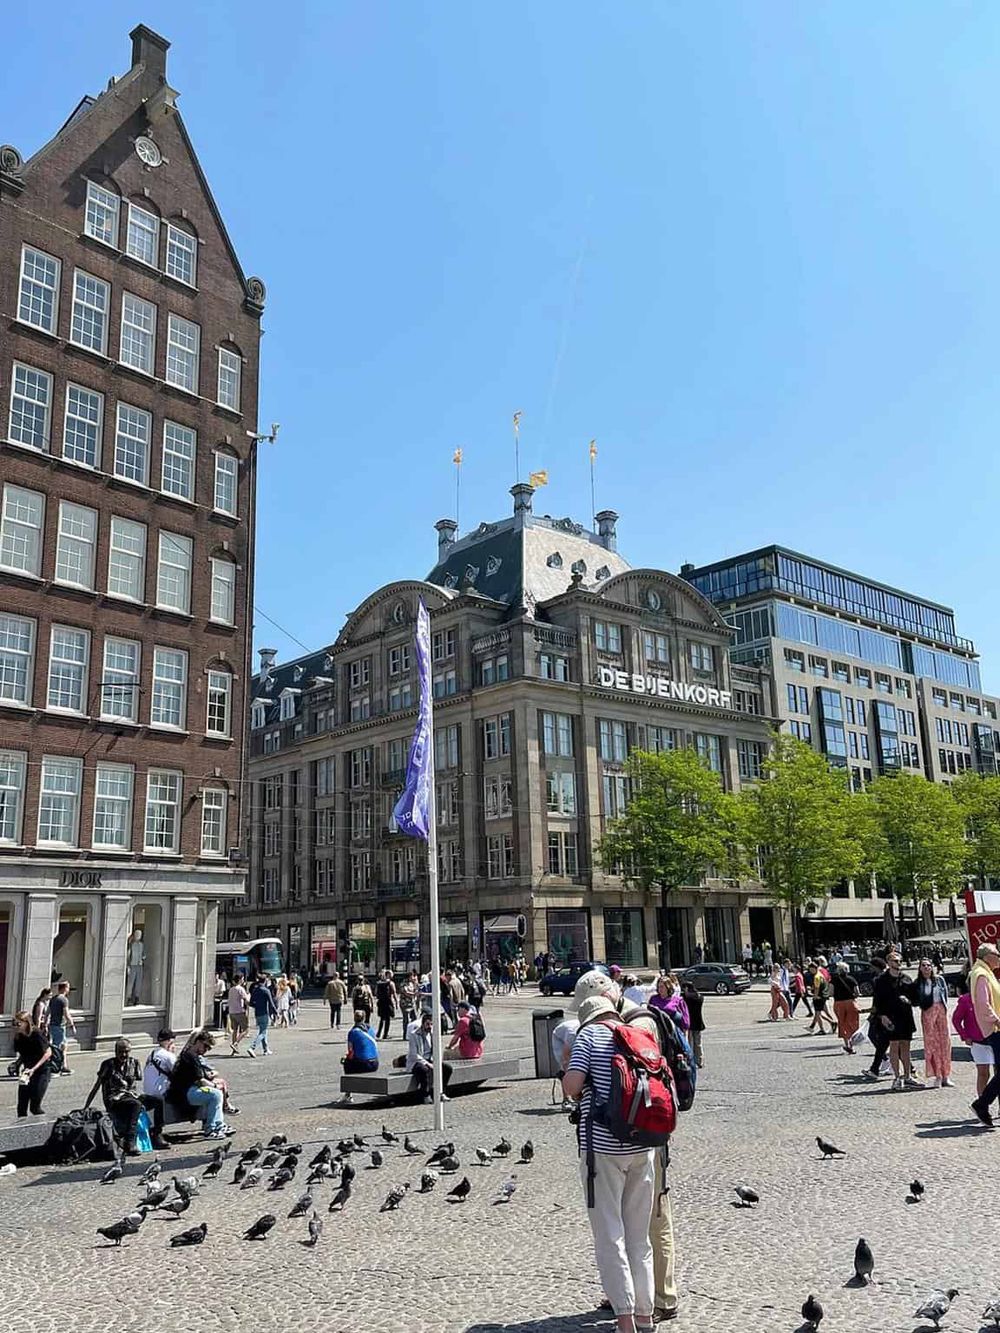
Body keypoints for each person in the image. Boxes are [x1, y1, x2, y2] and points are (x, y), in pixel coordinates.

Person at [563, 987, 657, 1333]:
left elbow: (572, 1087)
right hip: (644, 1146)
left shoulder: (588, 1036)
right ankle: (646, 1316)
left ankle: (625, 1320)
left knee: (610, 1234)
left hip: (603, 1149)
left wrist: (568, 1065)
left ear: (587, 1017)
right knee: (639, 1236)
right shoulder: (638, 1033)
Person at [84, 1038, 145, 1154]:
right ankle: (130, 1141)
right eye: (120, 1052)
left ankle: (157, 1134)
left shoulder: (134, 1063)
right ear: (115, 1052)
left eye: (126, 1051)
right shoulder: (108, 1065)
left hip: (131, 1097)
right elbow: (96, 1086)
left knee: (156, 1101)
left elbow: (137, 1081)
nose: (123, 1054)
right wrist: (86, 1106)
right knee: (136, 1105)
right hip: (114, 1099)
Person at [168, 1028, 231, 1139]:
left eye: (209, 1048)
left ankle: (218, 1125)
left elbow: (200, 1077)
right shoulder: (190, 1056)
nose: (206, 1050)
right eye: (205, 1046)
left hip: (189, 1088)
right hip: (185, 1092)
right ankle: (211, 1129)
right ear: (198, 1042)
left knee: (216, 1092)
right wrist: (215, 1086)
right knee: (215, 1094)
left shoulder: (192, 1055)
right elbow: (200, 1081)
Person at [872, 951, 921, 1091]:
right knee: (894, 1047)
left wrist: (910, 1000)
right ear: (888, 963)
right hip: (890, 1018)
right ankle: (897, 1078)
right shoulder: (881, 980)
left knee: (906, 1047)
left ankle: (907, 1076)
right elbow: (877, 1002)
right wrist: (882, 1016)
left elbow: (916, 999)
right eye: (895, 961)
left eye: (899, 961)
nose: (898, 963)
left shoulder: (906, 979)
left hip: (906, 1017)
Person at [969, 941, 1000, 1128]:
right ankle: (981, 1104)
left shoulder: (986, 973)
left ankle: (982, 1104)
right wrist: (996, 1020)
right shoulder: (981, 974)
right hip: (996, 1029)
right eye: (997, 954)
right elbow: (983, 1003)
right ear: (988, 957)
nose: (999, 957)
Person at [914, 958, 953, 1088]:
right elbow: (916, 999)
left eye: (928, 965)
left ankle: (946, 1075)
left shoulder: (939, 980)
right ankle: (937, 1075)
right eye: (923, 965)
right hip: (928, 1012)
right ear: (920, 968)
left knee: (945, 1043)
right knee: (932, 1044)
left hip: (941, 1010)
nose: (926, 967)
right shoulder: (918, 983)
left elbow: (945, 995)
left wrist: (944, 1009)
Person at [952, 977, 993, 1099]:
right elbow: (956, 1020)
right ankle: (982, 1103)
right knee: (983, 1073)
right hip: (978, 1042)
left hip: (994, 1039)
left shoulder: (993, 998)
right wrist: (964, 1036)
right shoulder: (965, 1000)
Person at [141, 1027, 178, 1149]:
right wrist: (173, 1054)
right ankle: (158, 1132)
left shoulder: (152, 1054)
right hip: (159, 1093)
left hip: (147, 1091)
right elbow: (179, 1072)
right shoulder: (168, 1055)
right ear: (169, 1041)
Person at [406, 1009, 453, 1103]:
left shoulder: (432, 1034)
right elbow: (414, 1054)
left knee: (447, 1068)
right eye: (427, 1024)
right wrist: (427, 1063)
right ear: (423, 1024)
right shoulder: (414, 1035)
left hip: (430, 1059)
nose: (430, 1027)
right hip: (417, 1061)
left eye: (431, 1024)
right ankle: (426, 1095)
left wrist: (436, 1061)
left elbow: (437, 1049)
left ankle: (441, 1092)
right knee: (424, 1070)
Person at [11, 1011, 52, 1118]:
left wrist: (34, 1068)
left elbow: (48, 1053)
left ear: (26, 1023)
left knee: (35, 1107)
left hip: (42, 1071)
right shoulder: (18, 1037)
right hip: (27, 1071)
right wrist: (16, 1064)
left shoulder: (36, 1034)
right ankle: (21, 1131)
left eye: (18, 1024)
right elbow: (23, 1054)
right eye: (14, 1024)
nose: (16, 1027)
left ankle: (43, 1125)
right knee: (21, 1107)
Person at [46, 981, 76, 1075]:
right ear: (64, 988)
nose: (68, 990)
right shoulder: (63, 1000)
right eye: (68, 988)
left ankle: (63, 1065)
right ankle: (56, 1067)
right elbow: (66, 1013)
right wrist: (72, 1024)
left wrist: (46, 1023)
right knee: (58, 1046)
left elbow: (47, 1012)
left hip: (53, 1025)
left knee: (61, 1046)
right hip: (59, 1025)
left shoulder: (53, 999)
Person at [831, 962, 861, 1053]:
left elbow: (830, 993)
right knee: (852, 1023)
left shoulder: (834, 980)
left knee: (842, 1023)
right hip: (850, 1003)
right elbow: (857, 993)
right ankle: (851, 1045)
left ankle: (847, 1044)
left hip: (839, 1004)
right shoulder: (852, 979)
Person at [807, 957, 838, 1035]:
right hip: (824, 995)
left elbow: (817, 987)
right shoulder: (820, 974)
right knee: (820, 1013)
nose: (810, 971)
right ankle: (816, 1027)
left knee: (818, 1014)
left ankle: (829, 1025)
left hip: (819, 997)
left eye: (811, 969)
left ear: (814, 968)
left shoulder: (816, 977)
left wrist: (815, 996)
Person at [248, 974, 277, 1056]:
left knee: (263, 1030)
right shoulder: (266, 990)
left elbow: (251, 1003)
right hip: (264, 1012)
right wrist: (275, 1013)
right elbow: (271, 1003)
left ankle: (265, 1049)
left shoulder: (255, 990)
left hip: (257, 1013)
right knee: (263, 1032)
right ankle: (252, 1047)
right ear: (265, 981)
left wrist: (256, 1006)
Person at [680, 981, 704, 1069]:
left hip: (690, 1022)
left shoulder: (686, 998)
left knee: (690, 1043)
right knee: (698, 1043)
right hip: (698, 1022)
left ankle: (691, 1061)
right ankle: (700, 1060)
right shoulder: (699, 996)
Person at [227, 974, 251, 1055]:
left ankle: (234, 1050)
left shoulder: (231, 989)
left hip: (232, 1012)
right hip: (239, 1011)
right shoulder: (241, 989)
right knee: (246, 1029)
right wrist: (249, 996)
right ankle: (235, 1043)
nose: (243, 980)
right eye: (242, 979)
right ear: (240, 980)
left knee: (235, 1030)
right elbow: (246, 1000)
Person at [375, 969, 398, 1041]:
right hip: (388, 1001)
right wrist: (396, 1002)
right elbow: (394, 993)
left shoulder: (379, 983)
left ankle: (378, 1033)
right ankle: (385, 1034)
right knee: (387, 1019)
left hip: (381, 1002)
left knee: (382, 1018)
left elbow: (376, 993)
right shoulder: (390, 983)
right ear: (388, 975)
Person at [399, 970, 419, 1039]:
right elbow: (405, 992)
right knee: (406, 1019)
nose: (413, 977)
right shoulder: (403, 983)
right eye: (412, 976)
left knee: (414, 1018)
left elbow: (416, 989)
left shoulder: (412, 983)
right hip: (405, 1003)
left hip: (412, 1003)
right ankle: (405, 1035)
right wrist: (414, 994)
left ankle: (414, 1032)